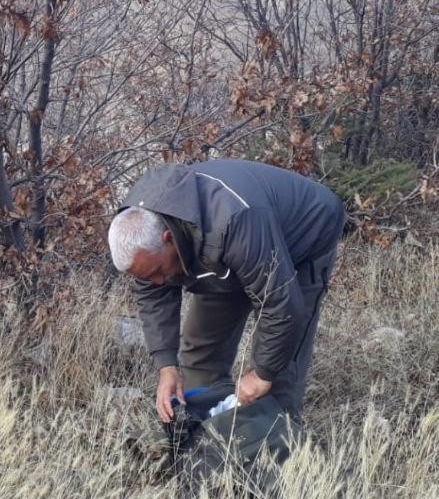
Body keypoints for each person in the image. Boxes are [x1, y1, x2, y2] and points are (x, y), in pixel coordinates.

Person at [107, 159, 345, 428]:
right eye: (147, 276)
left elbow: (281, 305)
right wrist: (166, 366)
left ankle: (275, 447)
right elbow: (153, 294)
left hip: (304, 233)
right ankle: (211, 437)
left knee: (277, 370)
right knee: (199, 352)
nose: (159, 282)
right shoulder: (144, 236)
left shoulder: (233, 219)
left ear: (167, 237)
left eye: (158, 271)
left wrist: (262, 374)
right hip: (227, 252)